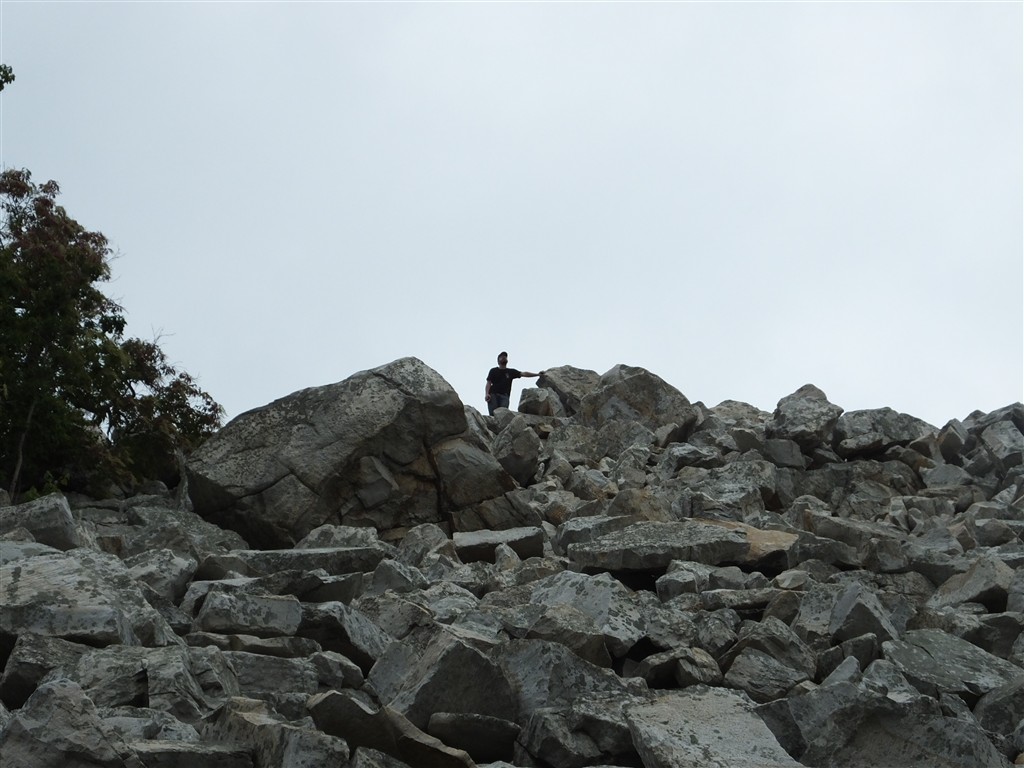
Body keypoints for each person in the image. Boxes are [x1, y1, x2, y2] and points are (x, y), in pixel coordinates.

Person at [485, 351, 542, 416]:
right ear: (498, 361)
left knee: (503, 415)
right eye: (501, 357)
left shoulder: (511, 372)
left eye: (505, 357)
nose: (504, 357)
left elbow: (524, 374)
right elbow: (488, 383)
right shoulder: (493, 370)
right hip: (493, 394)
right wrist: (487, 394)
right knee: (493, 414)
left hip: (505, 396)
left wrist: (538, 374)